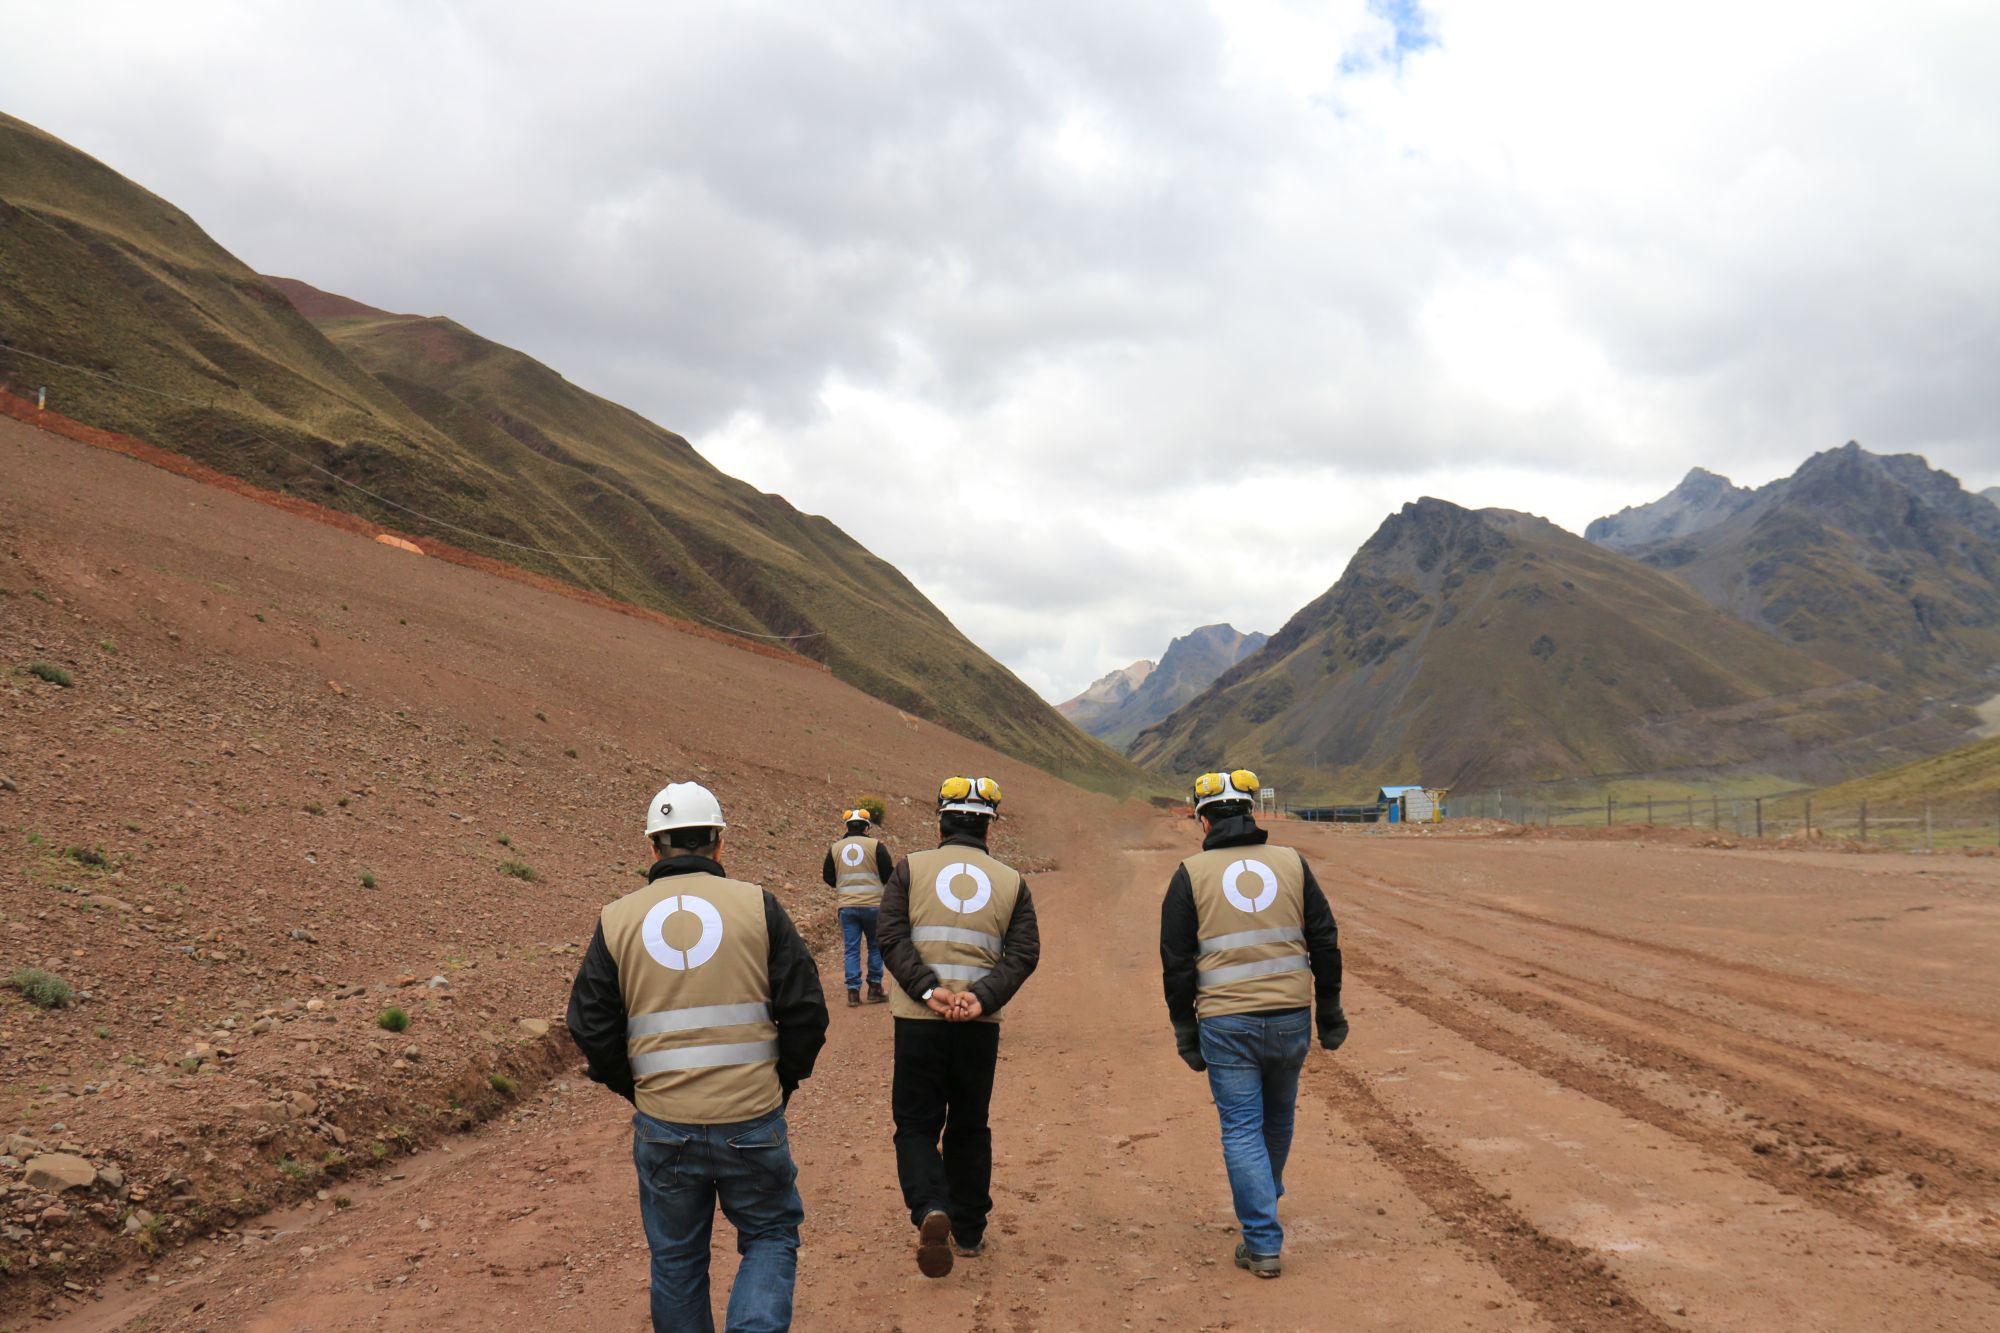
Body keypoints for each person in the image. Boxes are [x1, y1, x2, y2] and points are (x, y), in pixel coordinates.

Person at [567, 781, 829, 1332]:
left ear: (652, 847)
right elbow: (806, 1010)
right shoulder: (759, 906)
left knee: (677, 1259)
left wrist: (637, 1088)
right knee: (769, 1234)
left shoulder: (617, 919)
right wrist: (780, 1083)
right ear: (719, 843)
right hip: (752, 1118)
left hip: (665, 1124)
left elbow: (590, 1024)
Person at [1159, 768, 1346, 1280]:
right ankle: (1264, 1195)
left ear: (1202, 821)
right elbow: (1324, 940)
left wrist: (1184, 1029)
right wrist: (1328, 1009)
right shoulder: (1292, 863)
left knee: (1241, 1128)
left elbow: (1176, 963)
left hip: (1225, 1021)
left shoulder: (1189, 874)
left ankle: (1262, 1241)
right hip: (1289, 1017)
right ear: (1252, 812)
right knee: (1278, 1118)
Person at [877, 775, 1040, 1278]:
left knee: (916, 1124)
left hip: (919, 1021)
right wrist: (981, 997)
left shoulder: (909, 870)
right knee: (970, 1124)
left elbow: (891, 936)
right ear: (989, 827)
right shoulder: (1012, 881)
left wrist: (928, 990)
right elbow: (1024, 953)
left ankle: (930, 1208)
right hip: (978, 1024)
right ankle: (968, 1231)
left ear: (941, 821)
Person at [822, 807, 894, 1006]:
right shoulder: (876, 845)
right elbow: (889, 874)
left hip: (847, 906)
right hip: (874, 906)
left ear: (846, 826)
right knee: (875, 946)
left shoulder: (835, 848)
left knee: (851, 949)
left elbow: (828, 877)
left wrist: (845, 887)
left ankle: (853, 992)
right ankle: (874, 988)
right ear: (867, 827)